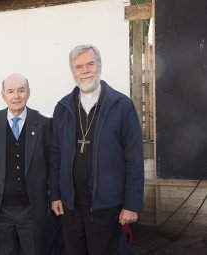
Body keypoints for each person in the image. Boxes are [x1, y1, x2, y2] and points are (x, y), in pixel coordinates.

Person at [49, 44, 144, 255]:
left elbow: (134, 159)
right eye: (79, 66)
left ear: (99, 66)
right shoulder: (62, 108)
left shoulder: (121, 105)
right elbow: (55, 157)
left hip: (107, 205)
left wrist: (131, 204)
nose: (85, 70)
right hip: (70, 205)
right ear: (72, 71)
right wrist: (55, 194)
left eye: (90, 64)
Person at [0, 73, 51, 255]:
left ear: (28, 93)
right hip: (0, 210)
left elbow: (51, 162)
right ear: (2, 94)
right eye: (10, 91)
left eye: (21, 90)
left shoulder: (44, 123)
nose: (16, 96)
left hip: (32, 209)